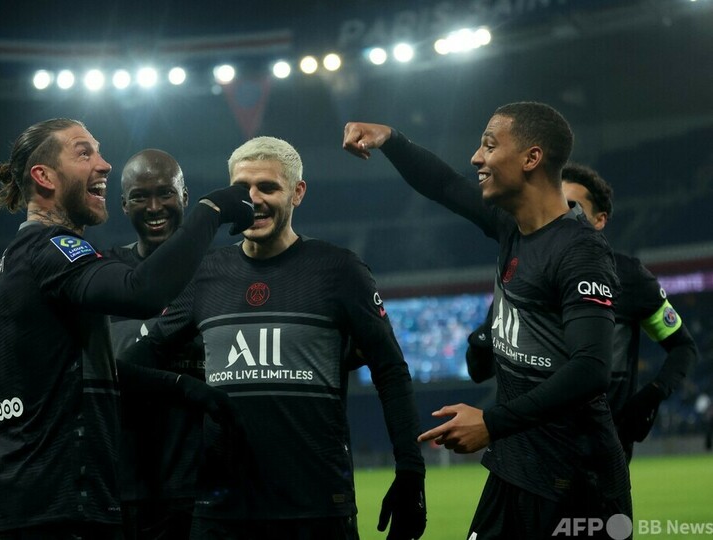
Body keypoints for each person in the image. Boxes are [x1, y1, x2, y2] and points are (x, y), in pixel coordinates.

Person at [343, 103, 631, 539]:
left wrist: (490, 423)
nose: (476, 157)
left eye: (490, 146)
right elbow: (444, 184)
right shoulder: (511, 227)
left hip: (576, 482)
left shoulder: (581, 252)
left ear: (531, 158)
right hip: (515, 467)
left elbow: (591, 369)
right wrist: (390, 139)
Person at [120, 136, 427, 540]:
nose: (253, 200)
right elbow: (132, 365)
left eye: (268, 187)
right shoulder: (204, 274)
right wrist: (184, 386)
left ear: (297, 192)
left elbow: (390, 371)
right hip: (222, 513)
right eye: (242, 188)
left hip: (317, 508)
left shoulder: (339, 270)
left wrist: (411, 471)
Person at [0, 118, 253, 539]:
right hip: (60, 508)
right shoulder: (52, 250)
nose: (105, 164)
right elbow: (141, 292)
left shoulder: (19, 259)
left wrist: (183, 387)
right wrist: (211, 210)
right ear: (44, 177)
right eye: (84, 152)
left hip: (36, 501)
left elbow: (92, 371)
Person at [465, 163, 700, 462]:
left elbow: (683, 346)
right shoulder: (522, 270)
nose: (559, 216)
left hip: (599, 456)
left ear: (600, 220)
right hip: (529, 455)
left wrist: (653, 394)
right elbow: (479, 370)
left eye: (571, 206)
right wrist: (484, 336)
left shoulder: (629, 277)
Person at [106, 149, 206, 540]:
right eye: (140, 196)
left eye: (165, 193)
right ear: (123, 204)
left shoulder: (221, 273)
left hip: (206, 486)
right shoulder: (102, 274)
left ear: (185, 197)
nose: (153, 207)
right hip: (125, 487)